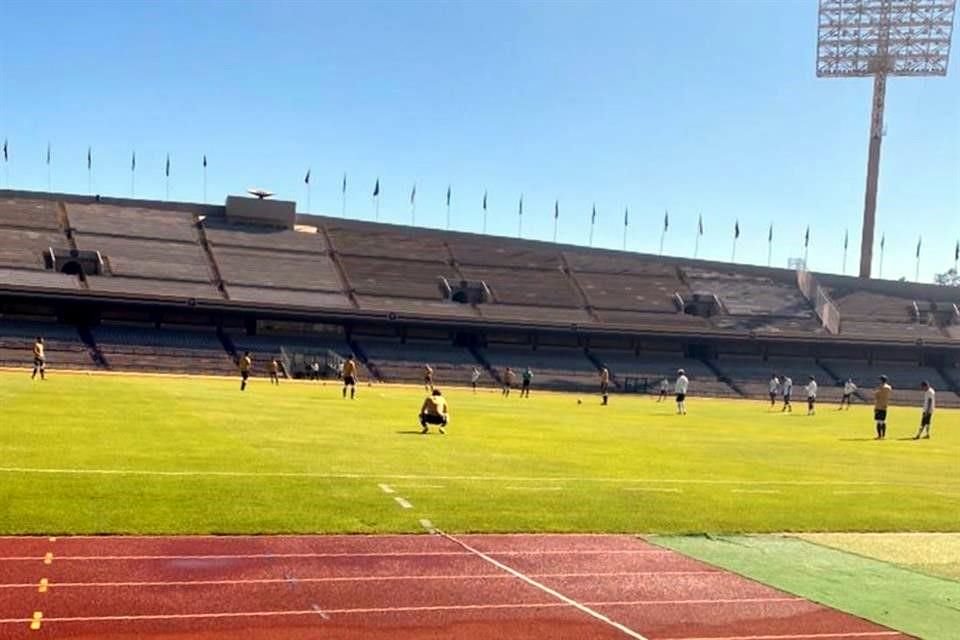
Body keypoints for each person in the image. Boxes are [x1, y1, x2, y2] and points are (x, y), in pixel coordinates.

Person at [873, 375, 892, 440]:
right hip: (885, 406)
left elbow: (876, 396)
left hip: (879, 406)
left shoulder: (880, 387)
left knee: (878, 421)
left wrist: (875, 392)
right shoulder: (889, 387)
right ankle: (883, 436)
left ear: (881, 380)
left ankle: (879, 436)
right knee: (883, 421)